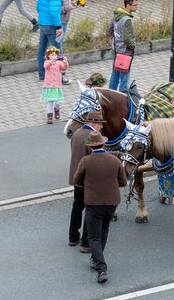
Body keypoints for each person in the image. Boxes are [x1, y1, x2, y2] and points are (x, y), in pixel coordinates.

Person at [73, 131, 127, 284]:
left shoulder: (85, 161)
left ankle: (101, 268)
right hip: (112, 202)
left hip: (93, 203)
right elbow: (123, 182)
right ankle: (96, 258)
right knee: (104, 230)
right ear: (103, 144)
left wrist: (89, 186)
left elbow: (77, 180)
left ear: (90, 147)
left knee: (93, 237)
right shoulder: (114, 160)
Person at [68, 110, 105, 252]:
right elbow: (97, 157)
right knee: (90, 210)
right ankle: (85, 242)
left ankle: (73, 236)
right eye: (100, 124)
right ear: (95, 123)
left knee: (77, 206)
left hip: (75, 176)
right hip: (88, 179)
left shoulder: (76, 133)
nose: (101, 127)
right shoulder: (93, 136)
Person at [36, 0, 65, 81]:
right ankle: (59, 76)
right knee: (57, 50)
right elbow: (54, 11)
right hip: (51, 25)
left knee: (42, 49)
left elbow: (38, 6)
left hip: (42, 22)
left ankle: (42, 74)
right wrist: (58, 26)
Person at [109, 0, 139, 93]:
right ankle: (122, 96)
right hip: (125, 51)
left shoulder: (116, 15)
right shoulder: (127, 20)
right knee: (125, 76)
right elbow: (127, 38)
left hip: (116, 49)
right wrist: (133, 46)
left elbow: (110, 31)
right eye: (135, 5)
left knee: (115, 73)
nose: (136, 7)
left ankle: (110, 93)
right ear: (128, 5)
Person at [42, 47, 68, 124]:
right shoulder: (47, 62)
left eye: (55, 55)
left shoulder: (58, 63)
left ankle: (57, 109)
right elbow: (45, 66)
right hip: (49, 86)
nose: (54, 56)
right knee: (49, 101)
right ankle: (49, 116)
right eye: (52, 55)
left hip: (57, 86)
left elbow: (64, 68)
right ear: (48, 56)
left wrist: (65, 62)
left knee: (57, 101)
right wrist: (51, 61)